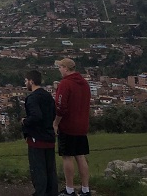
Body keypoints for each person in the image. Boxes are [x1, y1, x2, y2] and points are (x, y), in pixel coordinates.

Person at [54, 58, 91, 196]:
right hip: (82, 125)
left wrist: (56, 123)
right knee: (80, 156)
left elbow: (60, 106)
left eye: (60, 67)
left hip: (68, 125)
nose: (59, 70)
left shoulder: (65, 84)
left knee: (67, 156)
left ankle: (69, 189)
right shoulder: (85, 84)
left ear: (65, 68)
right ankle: (85, 189)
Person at [21, 69, 58, 196]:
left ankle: (40, 193)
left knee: (38, 169)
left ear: (31, 81)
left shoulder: (32, 98)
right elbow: (54, 113)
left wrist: (25, 121)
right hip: (49, 136)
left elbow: (36, 116)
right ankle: (52, 192)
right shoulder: (48, 96)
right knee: (50, 169)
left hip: (37, 137)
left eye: (26, 81)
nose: (25, 83)